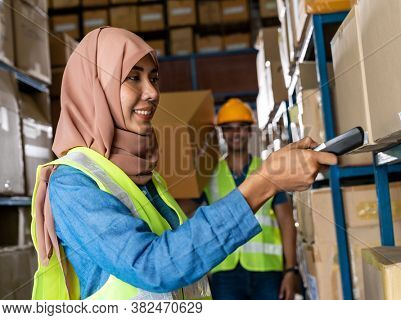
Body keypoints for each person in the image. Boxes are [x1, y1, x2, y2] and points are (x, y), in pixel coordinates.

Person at [30, 27, 337, 300]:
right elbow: (153, 266)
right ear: (96, 87)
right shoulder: (72, 183)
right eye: (133, 77)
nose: (152, 93)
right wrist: (266, 181)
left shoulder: (141, 174)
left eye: (153, 78)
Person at [179, 99, 299, 300]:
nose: (235, 134)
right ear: (222, 133)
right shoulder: (209, 174)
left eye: (241, 127)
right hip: (225, 272)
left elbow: (286, 222)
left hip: (267, 270)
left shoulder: (268, 170)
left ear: (250, 131)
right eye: (229, 128)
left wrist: (290, 271)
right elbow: (183, 209)